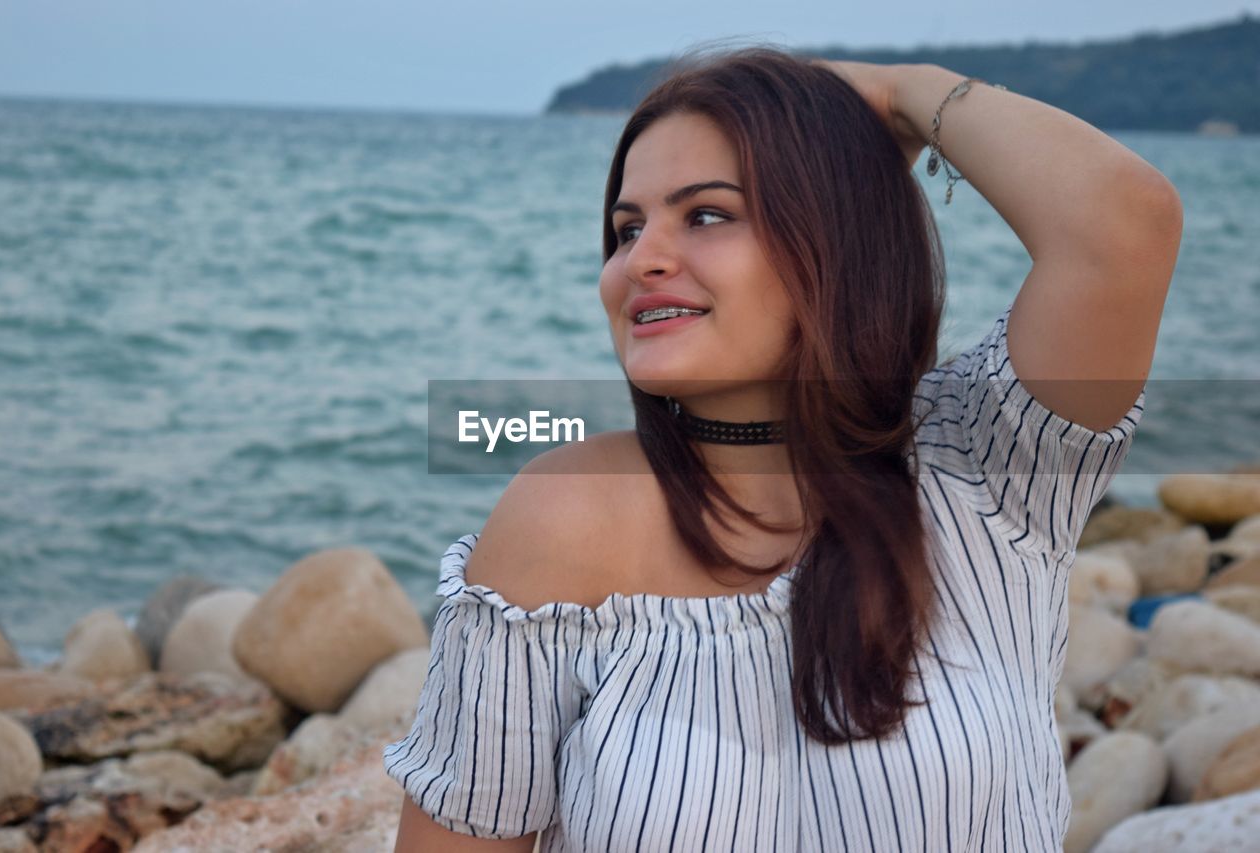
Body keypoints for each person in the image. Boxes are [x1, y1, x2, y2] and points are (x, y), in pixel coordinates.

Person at [384, 46, 1182, 852]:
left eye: (706, 215)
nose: (641, 261)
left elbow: (1124, 226)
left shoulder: (982, 466)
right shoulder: (568, 513)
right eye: (627, 229)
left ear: (836, 241)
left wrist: (896, 94)